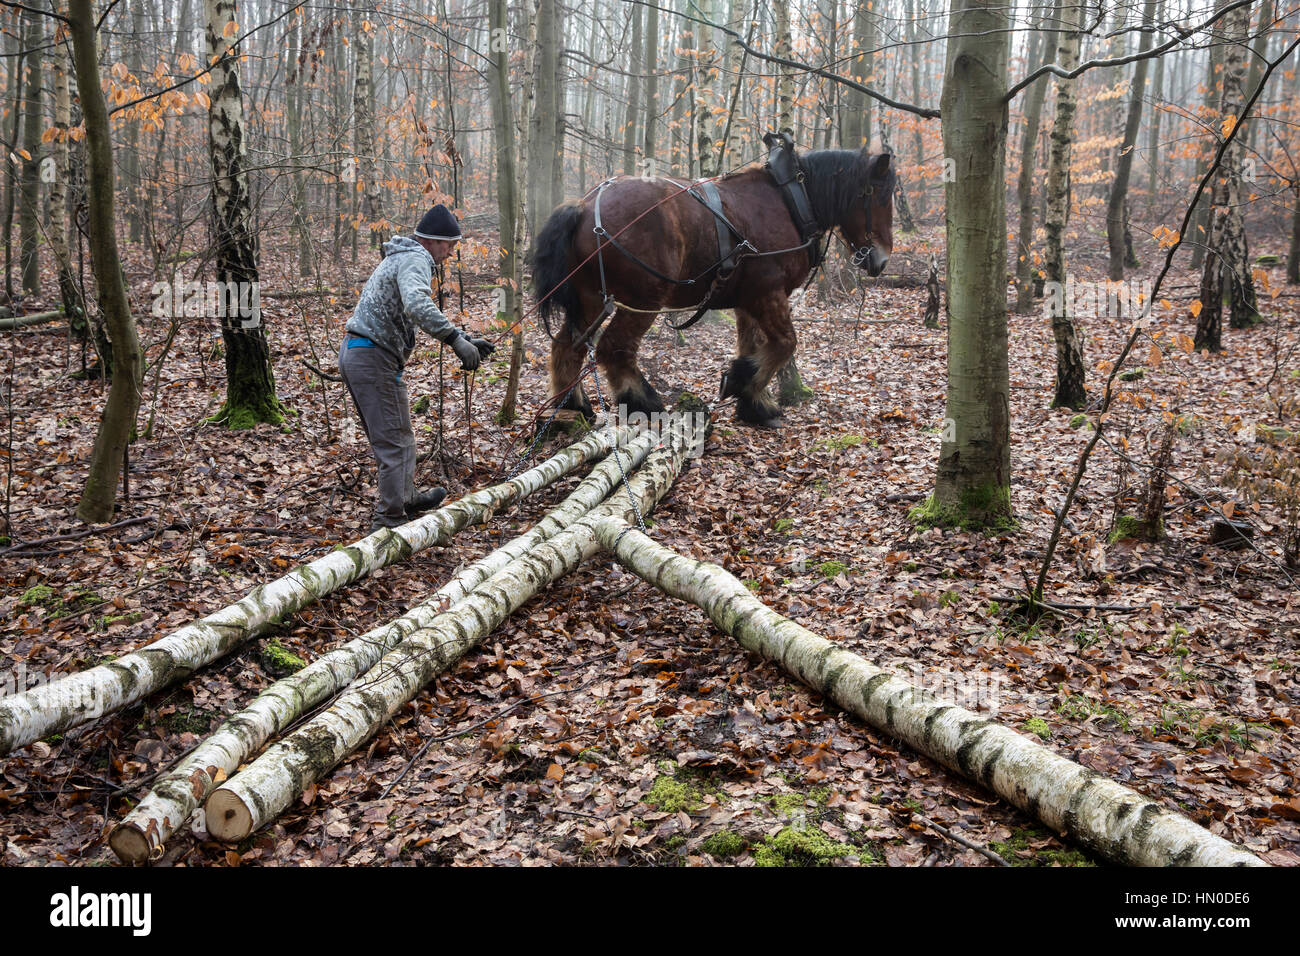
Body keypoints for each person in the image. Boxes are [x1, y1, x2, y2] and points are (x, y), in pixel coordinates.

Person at [339, 204, 493, 531]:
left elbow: (410, 308)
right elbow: (418, 304)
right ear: (432, 241)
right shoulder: (415, 259)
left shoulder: (401, 257)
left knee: (398, 437)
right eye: (448, 245)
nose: (450, 253)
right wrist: (455, 340)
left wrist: (465, 338)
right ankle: (389, 523)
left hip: (362, 353)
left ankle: (405, 498)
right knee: (394, 442)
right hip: (372, 357)